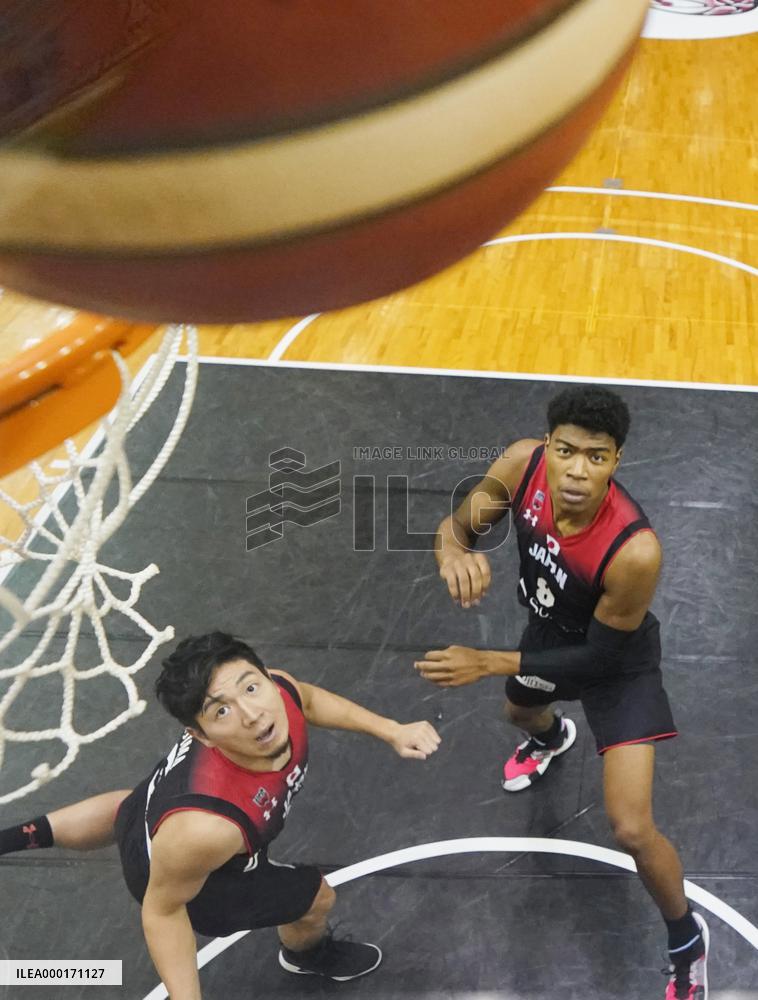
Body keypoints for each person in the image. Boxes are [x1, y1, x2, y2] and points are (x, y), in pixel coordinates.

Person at [416, 385, 708, 1000]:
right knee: (520, 710)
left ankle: (687, 940)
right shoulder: (521, 466)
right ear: (547, 446)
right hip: (550, 632)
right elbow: (456, 526)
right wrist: (451, 554)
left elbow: (598, 657)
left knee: (630, 827)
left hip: (617, 664)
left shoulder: (635, 551)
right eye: (567, 451)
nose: (577, 471)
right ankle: (553, 737)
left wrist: (486, 660)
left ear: (616, 462)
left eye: (596, 457)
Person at [0, 631, 441, 999]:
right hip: (196, 880)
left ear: (267, 677)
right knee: (317, 897)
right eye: (222, 710)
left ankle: (13, 836)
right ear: (200, 735)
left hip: (150, 819)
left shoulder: (279, 692)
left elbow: (305, 699)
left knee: (126, 806)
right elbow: (162, 912)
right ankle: (306, 955)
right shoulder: (207, 829)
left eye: (252, 687)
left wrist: (391, 729)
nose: (254, 715)